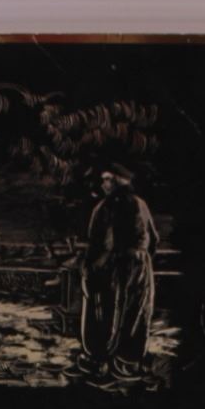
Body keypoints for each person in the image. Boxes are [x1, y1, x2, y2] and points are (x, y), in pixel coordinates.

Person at [78, 164, 159, 383]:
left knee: (110, 311)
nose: (103, 184)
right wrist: (142, 259)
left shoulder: (106, 207)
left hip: (116, 267)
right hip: (140, 265)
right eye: (103, 180)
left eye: (107, 179)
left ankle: (102, 360)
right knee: (135, 312)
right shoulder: (141, 204)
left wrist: (92, 266)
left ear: (119, 181)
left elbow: (102, 243)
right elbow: (154, 240)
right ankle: (127, 361)